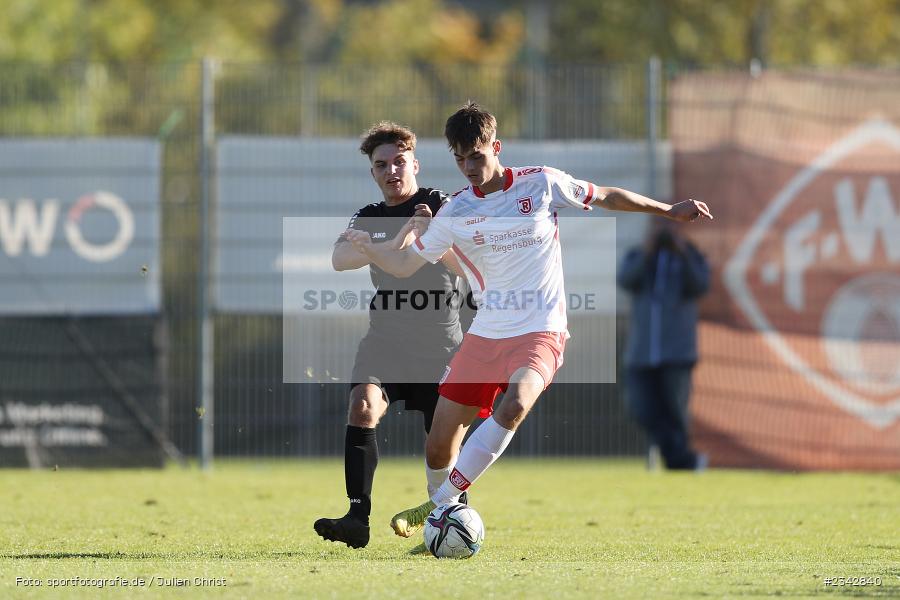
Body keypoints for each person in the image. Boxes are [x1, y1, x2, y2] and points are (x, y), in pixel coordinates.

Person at [344, 101, 713, 539]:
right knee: (439, 441)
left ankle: (439, 505)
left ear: (496, 147)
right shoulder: (455, 211)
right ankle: (442, 522)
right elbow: (405, 267)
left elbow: (606, 195)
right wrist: (373, 244)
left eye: (476, 156)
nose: (469, 168)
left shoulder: (541, 183)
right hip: (485, 333)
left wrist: (668, 210)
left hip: (541, 329)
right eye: (459, 160)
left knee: (517, 402)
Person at [314, 121, 468, 549]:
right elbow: (340, 258)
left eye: (399, 162)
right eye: (382, 165)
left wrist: (387, 244)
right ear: (373, 173)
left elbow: (456, 262)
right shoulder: (368, 216)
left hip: (440, 346)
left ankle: (449, 520)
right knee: (362, 407)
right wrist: (401, 237)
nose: (392, 171)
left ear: (414, 163)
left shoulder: (437, 203)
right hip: (384, 344)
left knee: (442, 447)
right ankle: (356, 517)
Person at [617, 221, 710, 470]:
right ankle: (684, 460)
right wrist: (649, 251)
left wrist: (682, 251)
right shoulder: (639, 255)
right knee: (640, 407)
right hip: (641, 353)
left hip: (677, 352)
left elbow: (700, 285)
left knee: (676, 412)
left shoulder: (691, 257)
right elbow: (626, 279)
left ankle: (679, 463)